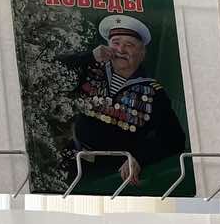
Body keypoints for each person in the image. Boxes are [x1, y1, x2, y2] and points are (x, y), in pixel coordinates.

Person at [58, 14, 187, 193]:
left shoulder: (153, 92)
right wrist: (89, 57)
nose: (120, 50)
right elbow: (51, 69)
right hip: (73, 159)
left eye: (129, 45)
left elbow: (175, 139)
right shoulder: (89, 69)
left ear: (142, 53)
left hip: (114, 175)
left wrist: (140, 158)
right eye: (116, 43)